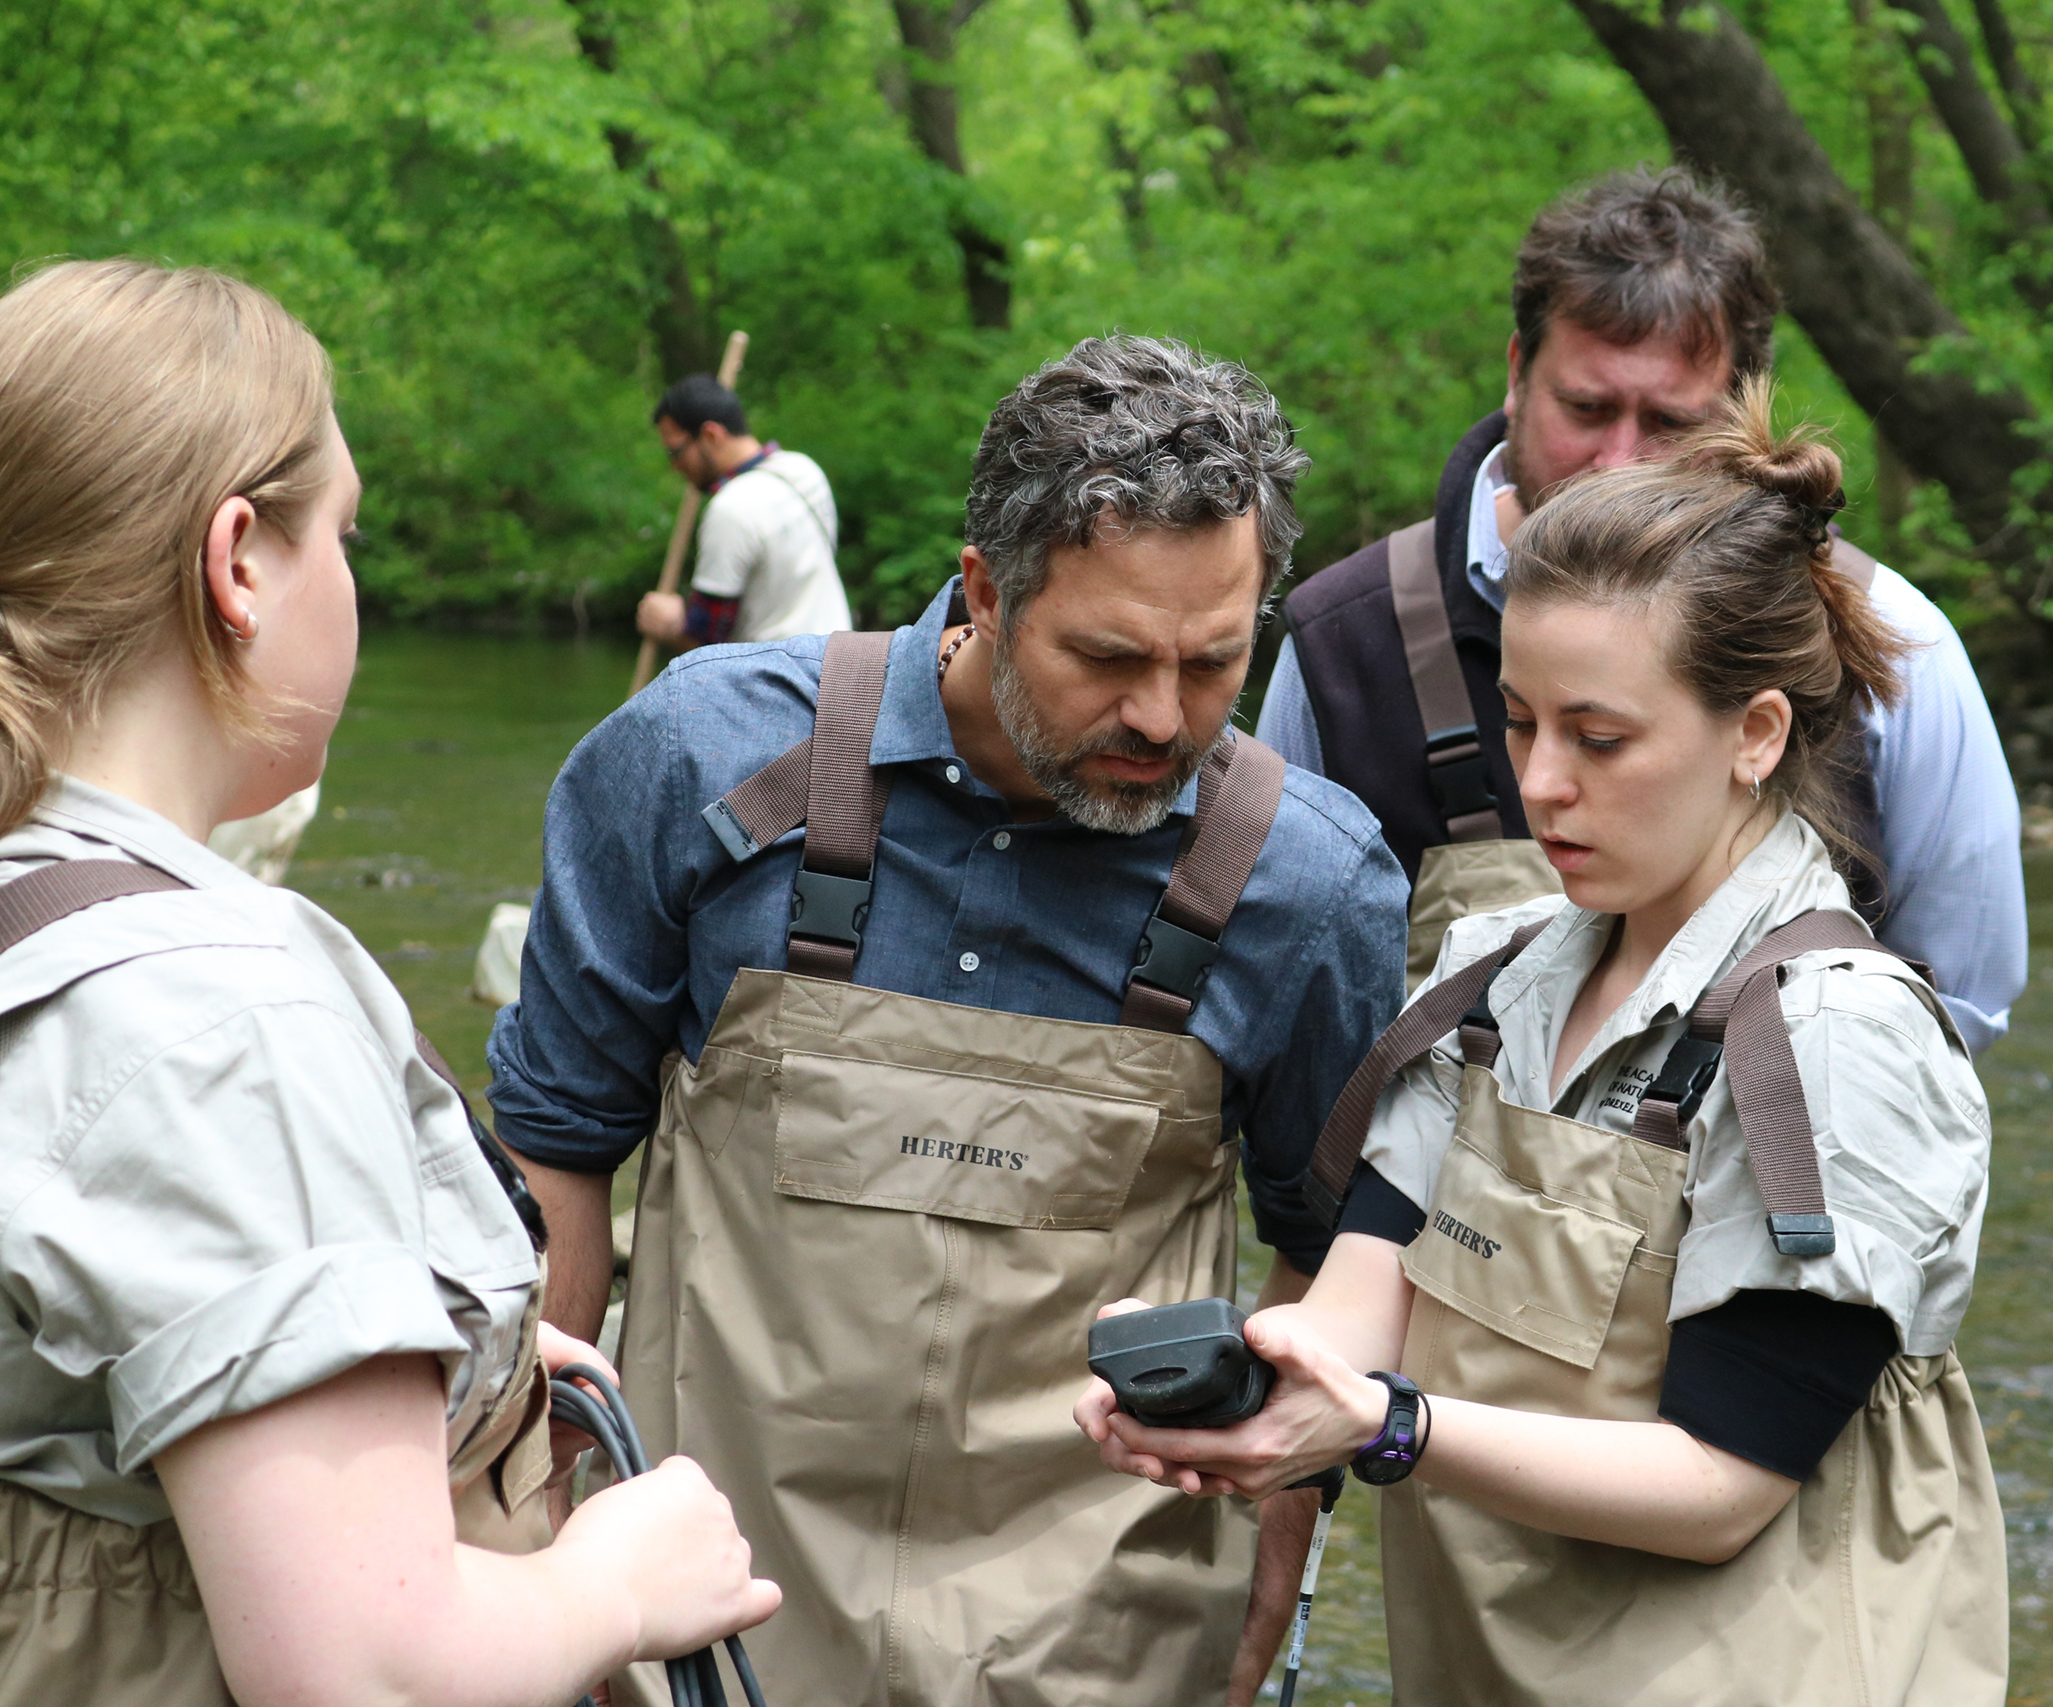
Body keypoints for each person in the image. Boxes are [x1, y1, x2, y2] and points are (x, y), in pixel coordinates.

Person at [488, 335, 1410, 1707]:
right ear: (983, 589)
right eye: (1106, 656)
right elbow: (556, 1151)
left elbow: (1327, 1256)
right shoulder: (696, 758)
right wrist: (518, 1526)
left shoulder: (1316, 881)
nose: (1163, 718)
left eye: (1215, 662)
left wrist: (1269, 1568)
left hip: (1105, 1638)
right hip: (694, 1611)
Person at [1083, 386, 2006, 1706]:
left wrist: (1389, 1426)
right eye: (1521, 719)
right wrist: (1253, 1387)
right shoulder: (1490, 971)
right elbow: (1366, 1299)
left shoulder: (1832, 1042)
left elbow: (1721, 1485)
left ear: (1755, 734)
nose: (1542, 781)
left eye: (1600, 736)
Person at [0, 260, 777, 1705]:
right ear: (236, 562)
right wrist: (622, 1576)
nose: (351, 580)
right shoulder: (221, 1015)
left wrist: (429, 1355)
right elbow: (366, 1670)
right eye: (342, 535)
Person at [1263, 167, 2025, 1052]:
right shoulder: (1343, 641)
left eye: (1669, 422)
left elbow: (1956, 1004)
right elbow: (1280, 992)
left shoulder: (1896, 639)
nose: (1620, 461)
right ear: (1516, 372)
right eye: (1586, 408)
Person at [635, 374, 851, 649]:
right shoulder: (804, 470)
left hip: (781, 685)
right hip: (842, 666)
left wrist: (669, 624)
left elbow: (708, 648)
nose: (675, 466)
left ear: (711, 435)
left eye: (676, 453)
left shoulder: (730, 509)